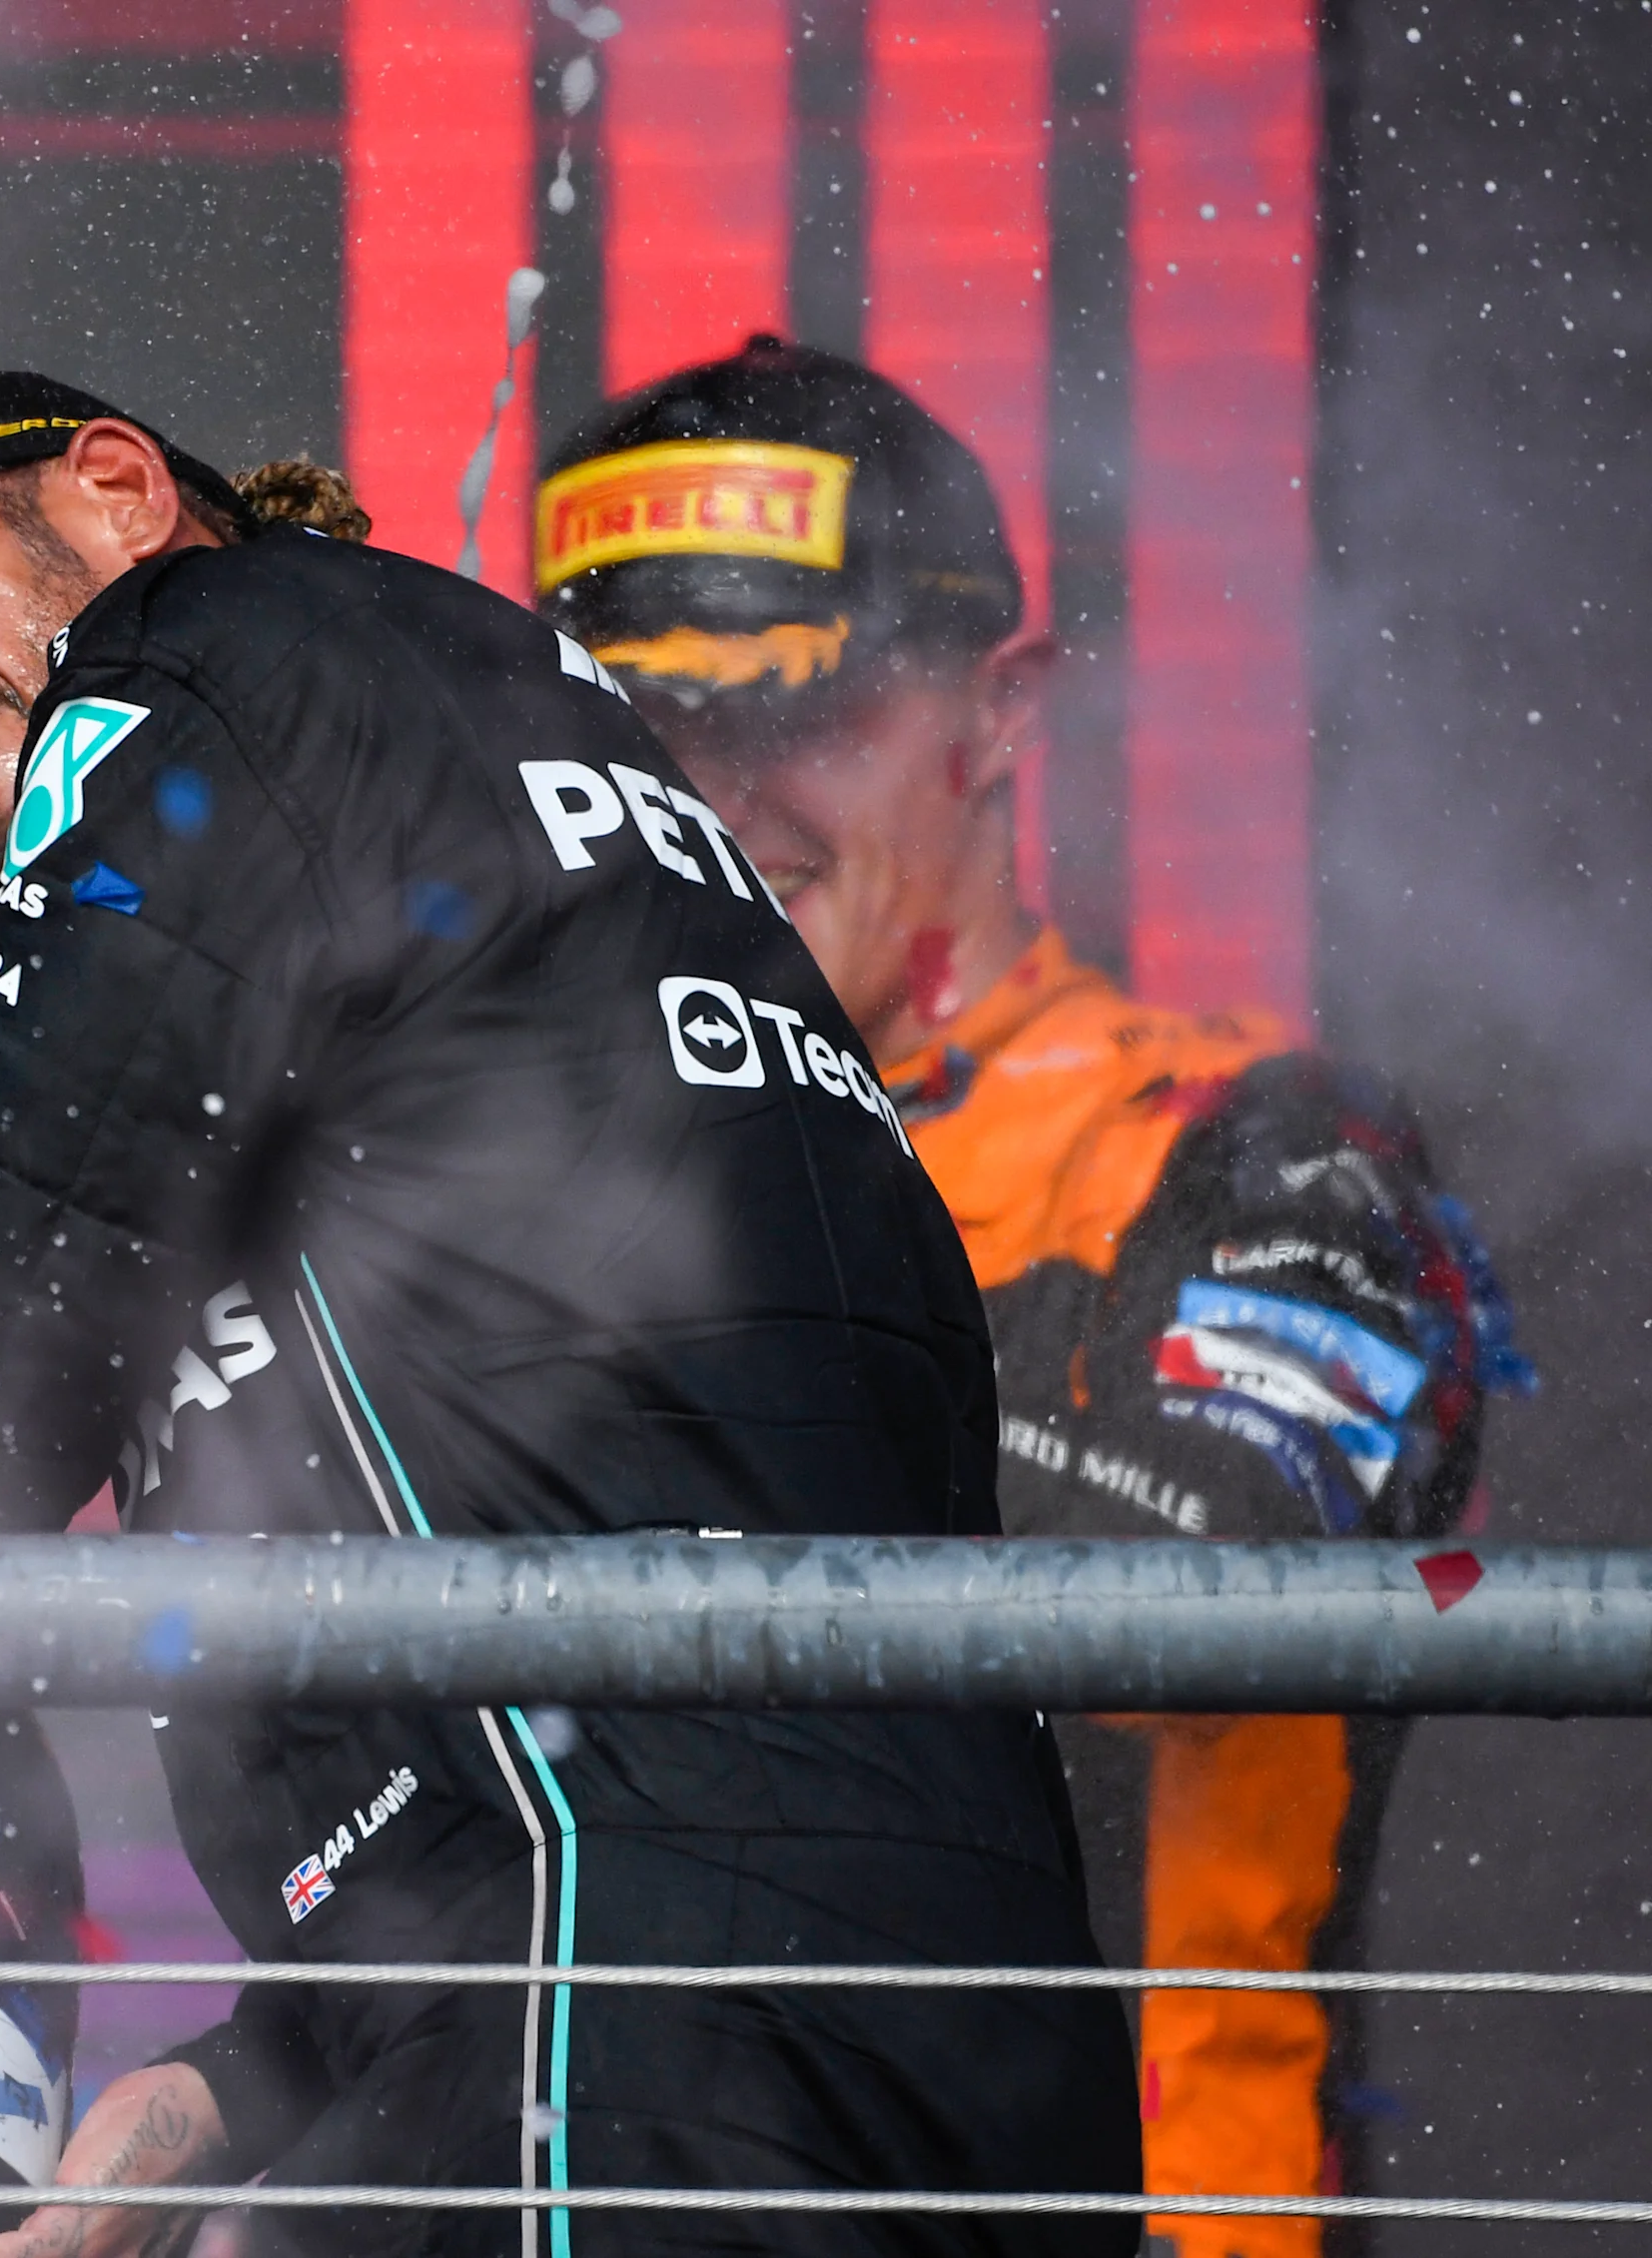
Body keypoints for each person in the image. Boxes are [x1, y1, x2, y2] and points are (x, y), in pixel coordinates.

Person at [0, 370, 1141, 2258]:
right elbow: (663, 1718)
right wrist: (210, 2106)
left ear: (110, 495)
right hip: (910, 2050)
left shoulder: (219, 646)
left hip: (639, 2048)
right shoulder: (480, 803)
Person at [530, 338, 1530, 2258]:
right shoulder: (534, 1177)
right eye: (642, 738)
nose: (715, 795)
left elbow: (1212, 1578)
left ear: (998, 713)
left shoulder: (1259, 1139)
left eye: (796, 710)